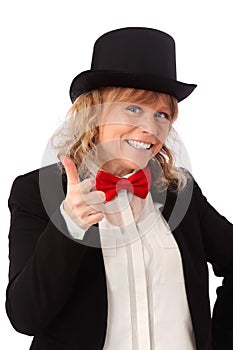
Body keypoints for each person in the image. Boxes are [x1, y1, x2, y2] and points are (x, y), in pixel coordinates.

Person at [5, 27, 233, 350]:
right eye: (134, 108)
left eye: (162, 114)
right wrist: (70, 223)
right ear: (94, 112)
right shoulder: (34, 193)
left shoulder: (180, 192)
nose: (151, 129)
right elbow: (24, 317)